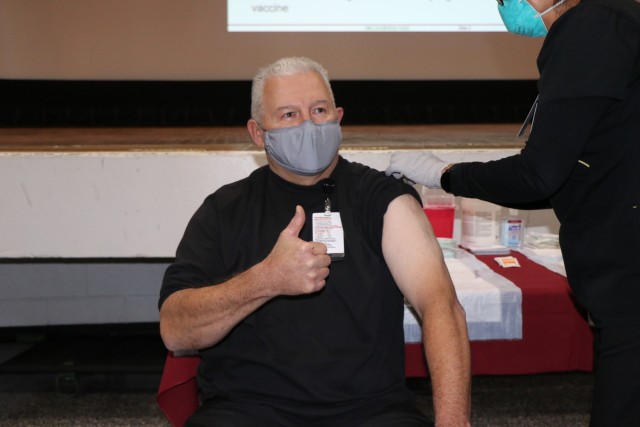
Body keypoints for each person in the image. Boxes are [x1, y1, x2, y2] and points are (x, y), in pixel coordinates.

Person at [159, 56, 471, 427]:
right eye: (288, 115)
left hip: (370, 413)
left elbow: (440, 306)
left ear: (338, 117)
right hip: (247, 411)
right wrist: (265, 280)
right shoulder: (224, 210)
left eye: (319, 110)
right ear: (258, 133)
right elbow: (175, 328)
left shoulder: (383, 199)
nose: (308, 124)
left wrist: (454, 421)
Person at [386, 1, 640, 425]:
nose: (505, 5)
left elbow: (540, 175)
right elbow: (575, 172)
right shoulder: (619, 19)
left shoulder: (590, 28)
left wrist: (443, 174)